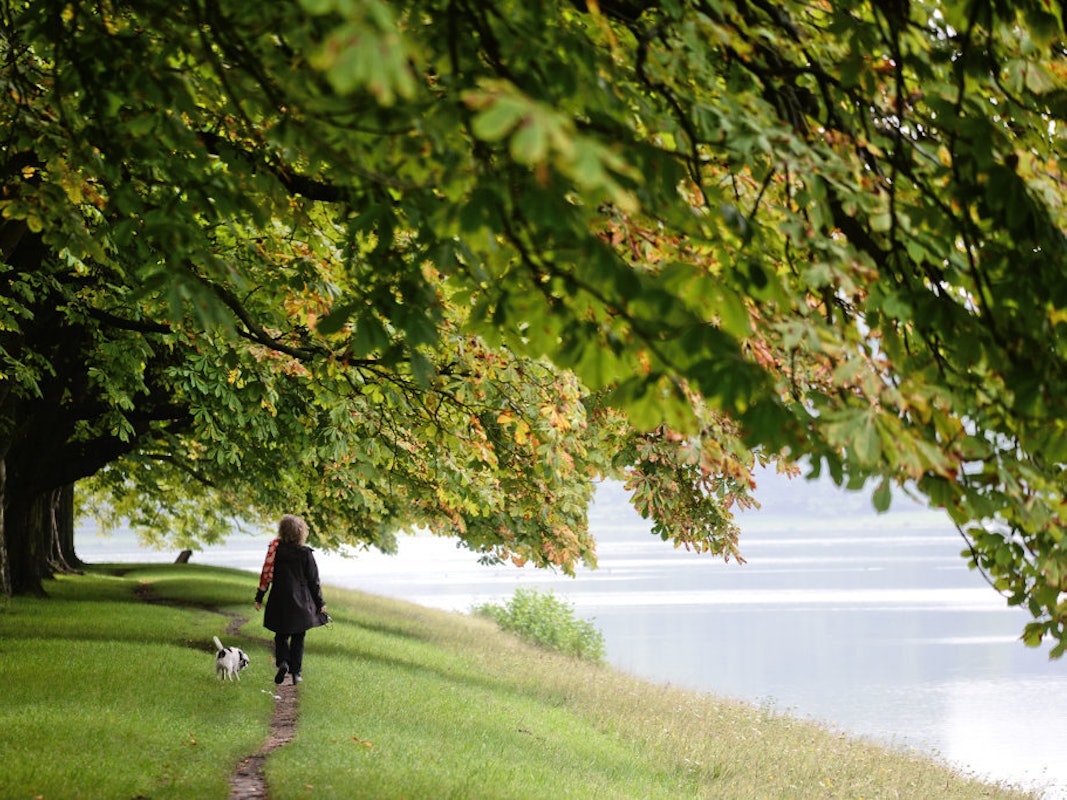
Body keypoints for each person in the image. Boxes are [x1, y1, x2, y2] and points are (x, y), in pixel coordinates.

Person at [254, 514, 327, 685]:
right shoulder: (305, 553)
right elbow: (314, 581)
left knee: (281, 635)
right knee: (298, 636)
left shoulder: (275, 551)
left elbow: (266, 575)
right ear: (301, 532)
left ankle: (283, 661)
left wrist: (259, 597)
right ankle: (296, 673)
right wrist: (320, 603)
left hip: (279, 598)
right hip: (301, 601)